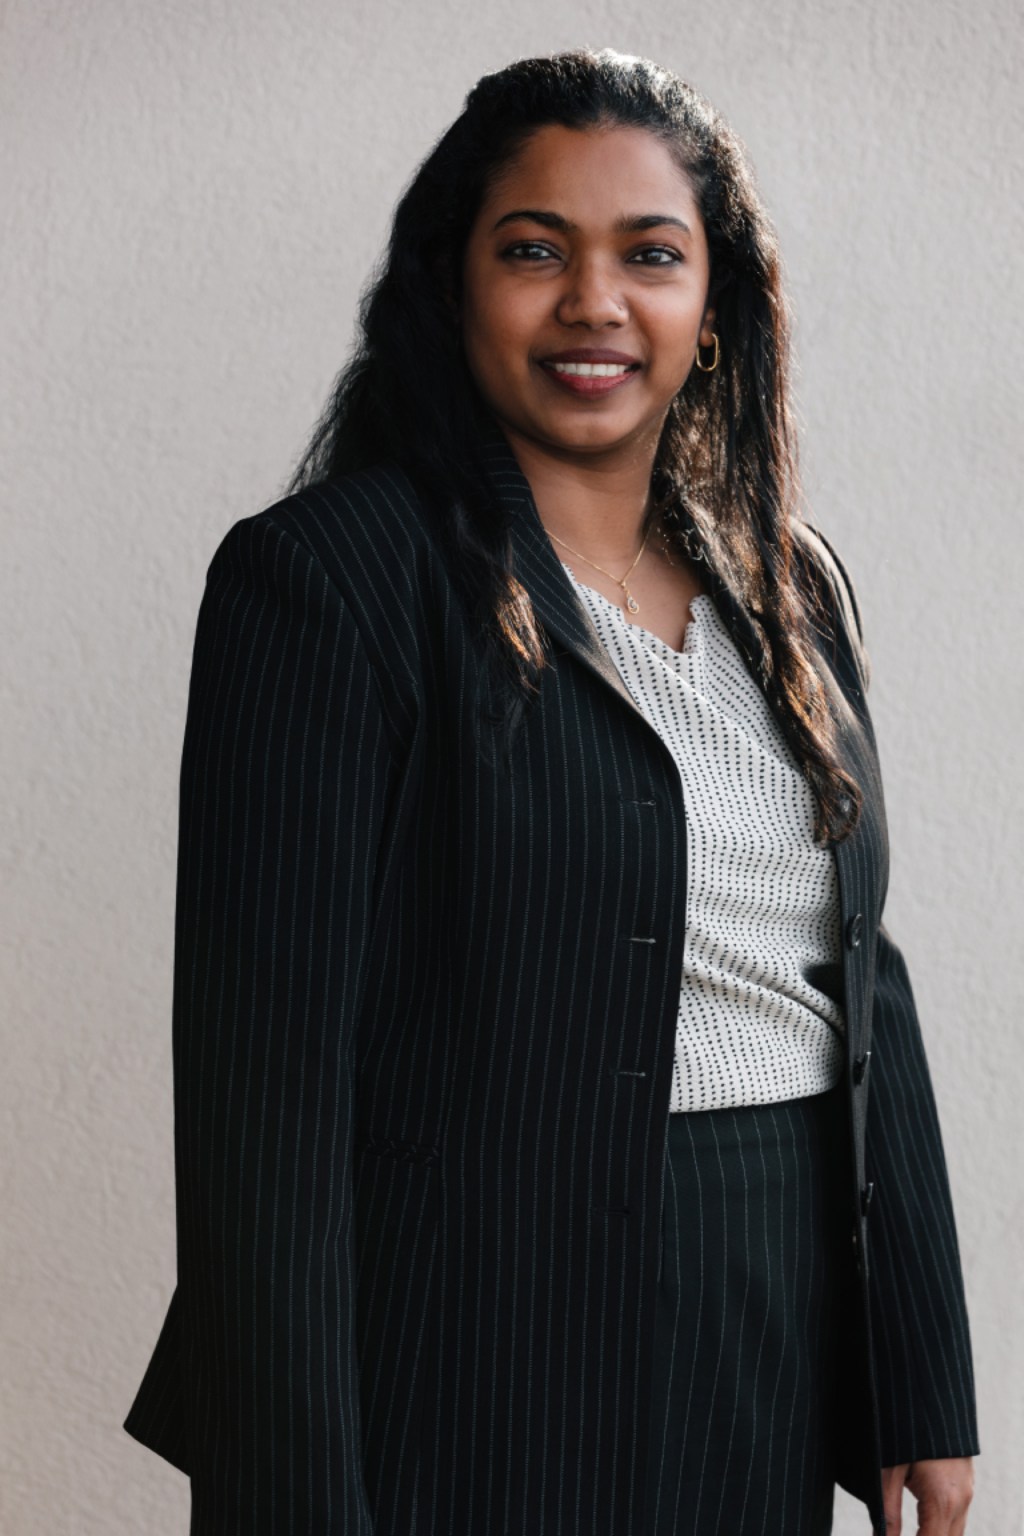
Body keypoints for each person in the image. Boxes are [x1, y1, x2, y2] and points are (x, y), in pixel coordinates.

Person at [122, 47, 979, 1536]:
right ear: (451, 286)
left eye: (651, 255)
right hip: (469, 1339)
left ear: (714, 307)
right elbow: (265, 1105)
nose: (596, 302)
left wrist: (920, 1377)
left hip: (764, 1321)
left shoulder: (791, 585)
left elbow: (856, 972)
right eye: (534, 251)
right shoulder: (328, 581)